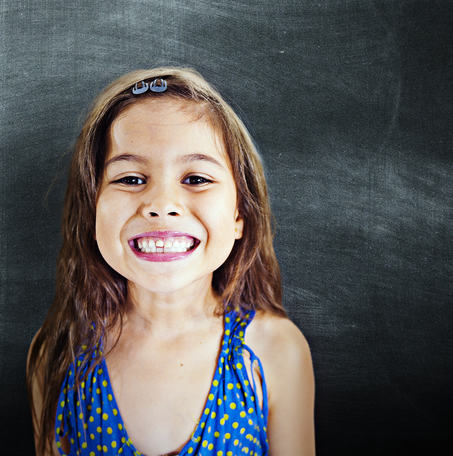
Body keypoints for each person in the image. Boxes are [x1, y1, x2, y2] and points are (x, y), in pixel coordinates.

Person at [27, 68, 315, 456]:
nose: (162, 205)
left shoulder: (274, 351)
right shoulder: (59, 351)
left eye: (196, 178)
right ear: (92, 215)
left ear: (239, 216)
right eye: (130, 179)